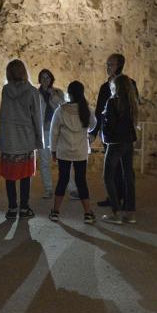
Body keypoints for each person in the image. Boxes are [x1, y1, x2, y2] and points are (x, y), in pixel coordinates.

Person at [89, 53, 138, 207]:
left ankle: (118, 202)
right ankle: (118, 199)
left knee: (119, 170)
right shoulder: (105, 87)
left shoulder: (128, 85)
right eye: (107, 64)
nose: (108, 68)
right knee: (120, 170)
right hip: (117, 136)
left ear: (119, 66)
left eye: (111, 65)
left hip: (115, 136)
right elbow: (98, 112)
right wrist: (94, 132)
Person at [0, 59, 43, 219]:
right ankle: (24, 208)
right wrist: (39, 140)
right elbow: (37, 117)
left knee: (10, 175)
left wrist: (1, 138)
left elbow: (3, 115)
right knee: (25, 175)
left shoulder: (5, 90)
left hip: (9, 138)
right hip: (26, 138)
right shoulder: (32, 92)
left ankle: (11, 208)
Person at [48, 81, 97, 224]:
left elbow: (54, 132)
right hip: (81, 151)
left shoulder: (61, 110)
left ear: (69, 94)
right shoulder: (87, 110)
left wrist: (53, 150)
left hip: (64, 150)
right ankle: (88, 213)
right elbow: (93, 124)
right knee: (81, 181)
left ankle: (56, 212)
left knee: (62, 180)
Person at [101, 74, 138, 224]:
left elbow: (110, 124)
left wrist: (104, 117)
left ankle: (115, 212)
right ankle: (130, 213)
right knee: (128, 176)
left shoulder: (112, 102)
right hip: (128, 142)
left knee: (107, 176)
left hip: (115, 143)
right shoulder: (131, 103)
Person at [37, 69, 65, 198]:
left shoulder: (58, 92)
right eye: (42, 77)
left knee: (63, 160)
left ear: (51, 79)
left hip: (57, 131)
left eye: (47, 77)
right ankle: (48, 189)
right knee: (44, 161)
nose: (45, 80)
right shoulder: (35, 94)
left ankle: (69, 188)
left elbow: (63, 108)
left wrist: (53, 96)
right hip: (43, 131)